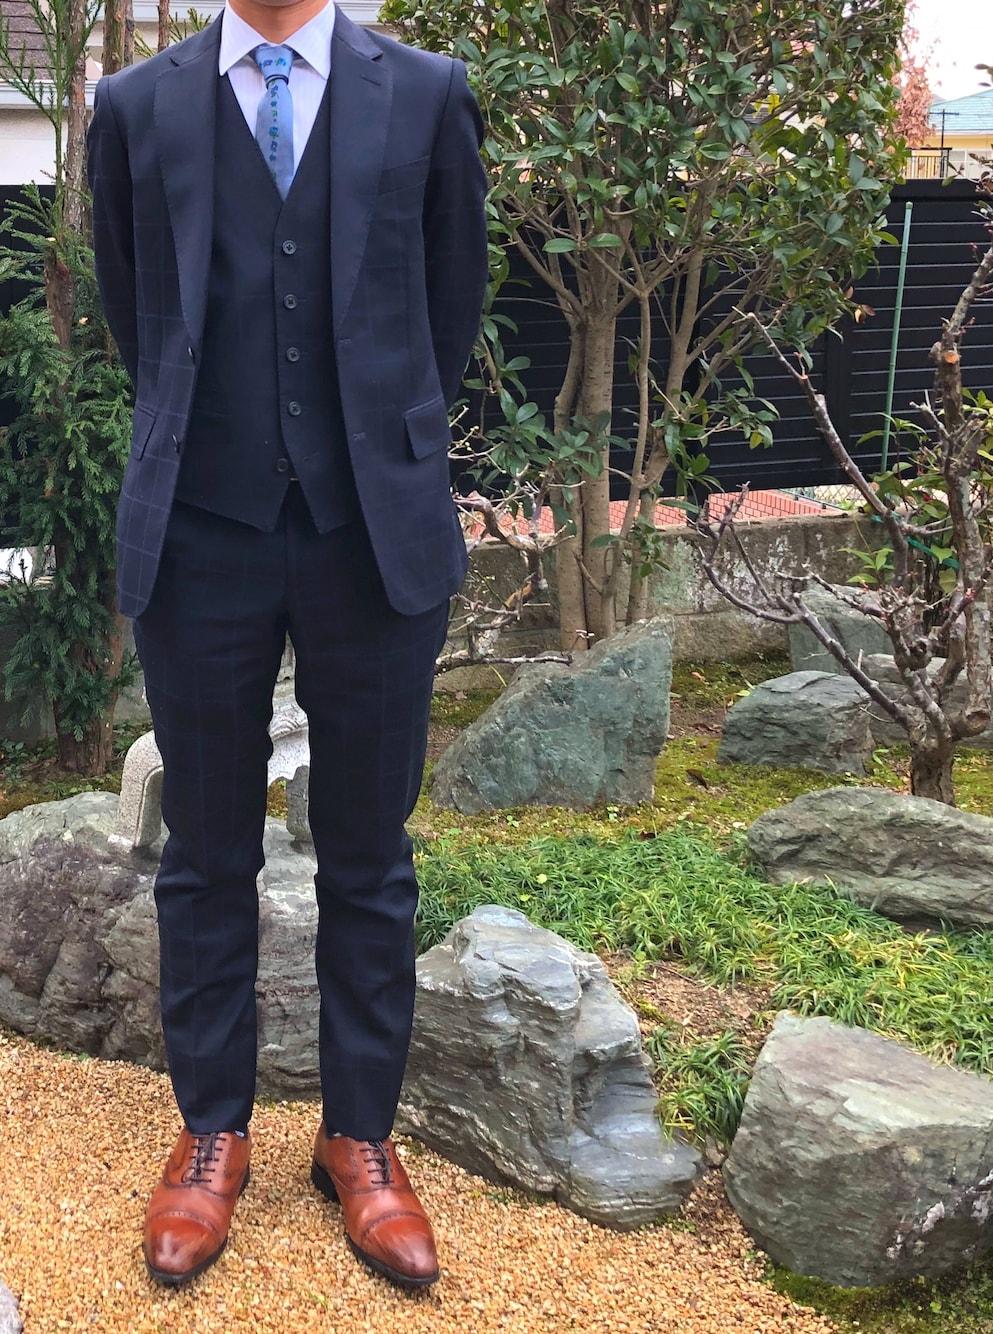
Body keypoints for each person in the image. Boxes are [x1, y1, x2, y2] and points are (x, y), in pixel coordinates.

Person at [86, 0, 487, 1292]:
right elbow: (136, 313)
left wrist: (374, 443)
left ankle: (359, 1136)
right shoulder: (134, 108)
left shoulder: (425, 93)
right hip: (201, 529)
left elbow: (450, 304)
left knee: (369, 852)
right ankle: (212, 1132)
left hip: (371, 530)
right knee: (207, 852)